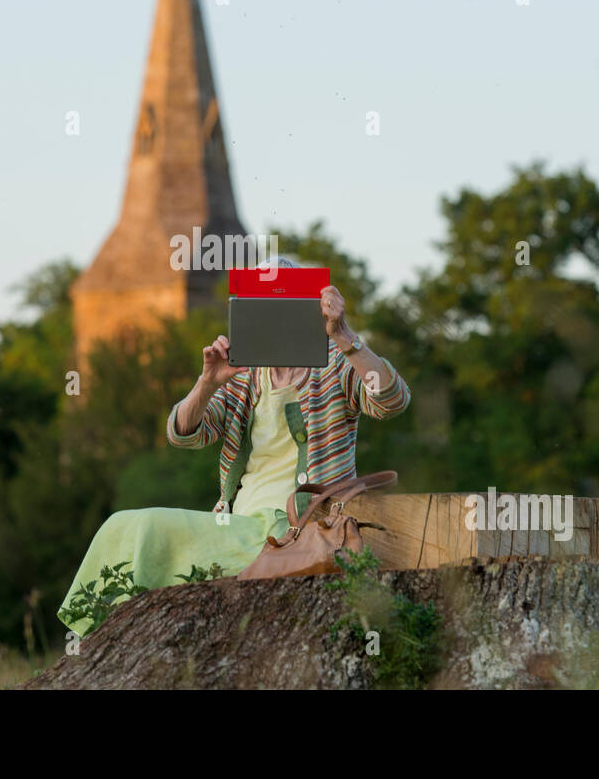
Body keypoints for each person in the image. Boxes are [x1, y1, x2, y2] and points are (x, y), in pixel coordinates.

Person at [57, 258, 412, 636]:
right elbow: (184, 433)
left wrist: (344, 337)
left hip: (299, 532)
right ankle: (102, 639)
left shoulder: (334, 369)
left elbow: (392, 399)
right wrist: (207, 381)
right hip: (236, 527)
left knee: (146, 526)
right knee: (123, 525)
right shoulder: (244, 378)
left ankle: (103, 639)